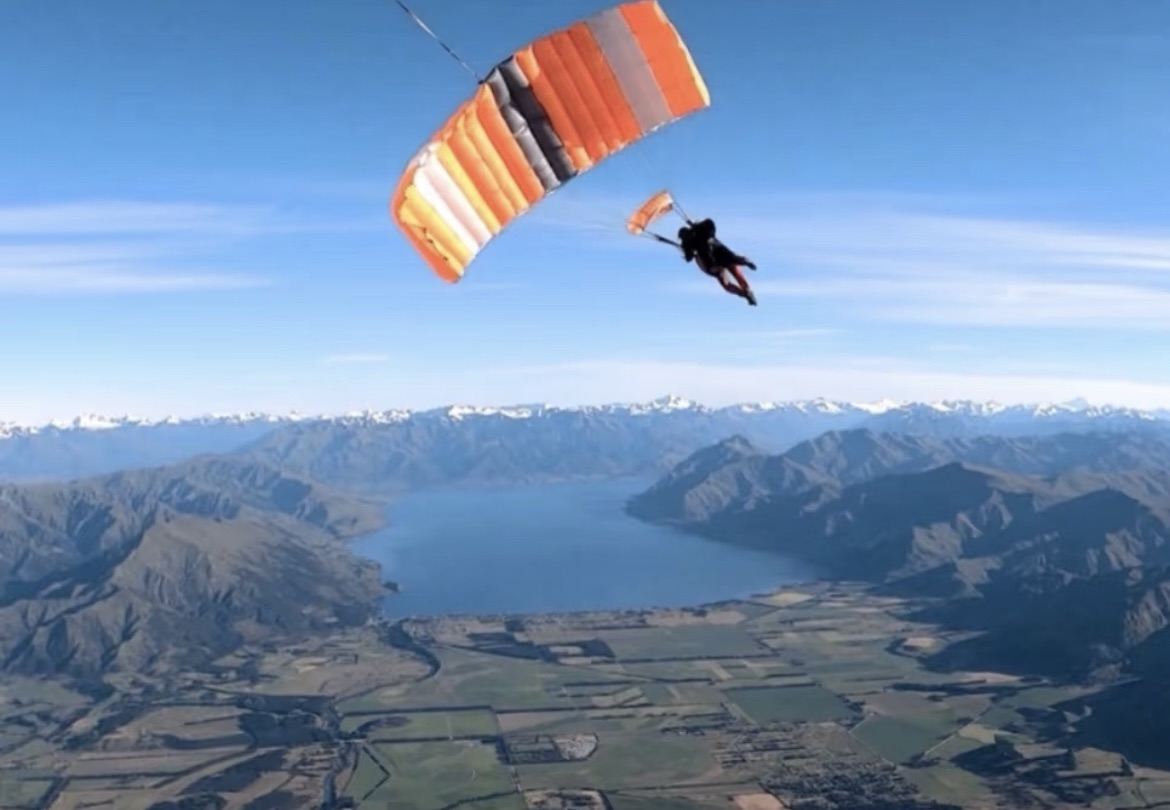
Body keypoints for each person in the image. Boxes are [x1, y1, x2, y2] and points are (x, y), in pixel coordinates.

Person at [676, 218, 758, 306]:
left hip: (715, 261)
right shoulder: (694, 237)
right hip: (718, 258)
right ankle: (746, 291)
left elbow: (689, 257)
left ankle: (746, 292)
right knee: (733, 271)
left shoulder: (695, 235)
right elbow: (689, 257)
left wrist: (695, 226)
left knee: (729, 279)